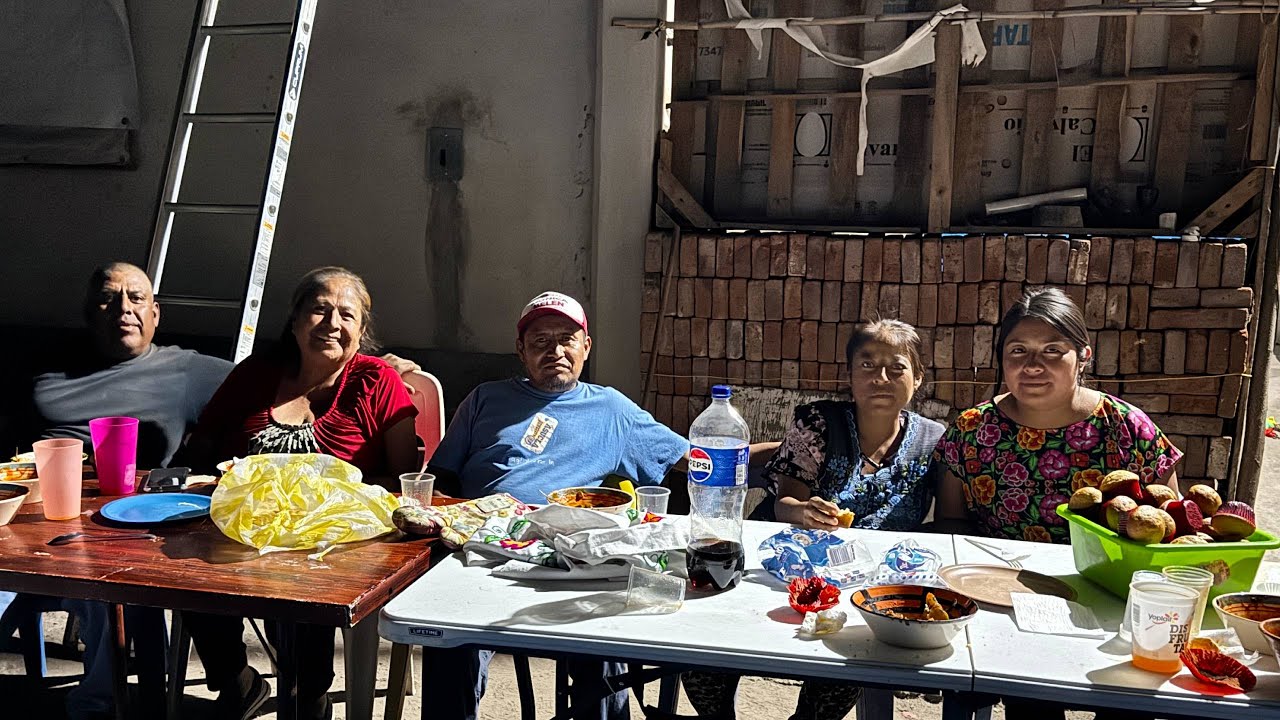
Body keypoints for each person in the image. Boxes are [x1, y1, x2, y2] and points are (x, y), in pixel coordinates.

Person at [423, 291, 689, 720]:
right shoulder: (484, 399)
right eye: (541, 341)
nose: (556, 351)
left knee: (604, 646)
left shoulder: (612, 409)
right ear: (521, 351)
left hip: (573, 555)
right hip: (482, 549)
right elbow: (444, 479)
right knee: (448, 639)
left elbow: (695, 462)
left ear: (586, 346)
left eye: (567, 338)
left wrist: (784, 458)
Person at [175, 267, 419, 720]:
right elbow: (205, 449)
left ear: (361, 331)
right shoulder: (255, 375)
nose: (332, 323)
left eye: (346, 315)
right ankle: (237, 683)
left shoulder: (375, 381)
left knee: (306, 587)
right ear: (294, 321)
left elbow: (404, 477)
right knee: (181, 572)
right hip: (242, 532)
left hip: (337, 541)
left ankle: (309, 698)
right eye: (319, 310)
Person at [682, 319, 945, 720]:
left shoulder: (934, 441)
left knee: (847, 663)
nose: (881, 378)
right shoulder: (819, 422)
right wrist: (804, 512)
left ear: (919, 377)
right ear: (850, 374)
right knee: (707, 645)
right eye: (868, 366)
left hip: (867, 586)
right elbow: (785, 500)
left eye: (897, 368)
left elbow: (944, 523)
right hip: (782, 568)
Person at [4, 262, 230, 720]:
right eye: (109, 298)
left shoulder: (186, 370)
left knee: (114, 586)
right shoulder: (44, 364)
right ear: (91, 311)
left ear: (155, 313)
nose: (123, 308)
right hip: (33, 518)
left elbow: (279, 380)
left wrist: (390, 366)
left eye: (137, 298)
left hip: (126, 528)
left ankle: (95, 707)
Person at [933, 287, 1181, 545]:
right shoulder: (972, 429)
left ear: (1084, 356)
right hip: (990, 578)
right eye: (1018, 350)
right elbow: (951, 522)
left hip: (1104, 580)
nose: (1032, 365)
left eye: (1052, 350)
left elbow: (1171, 528)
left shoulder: (1127, 427)